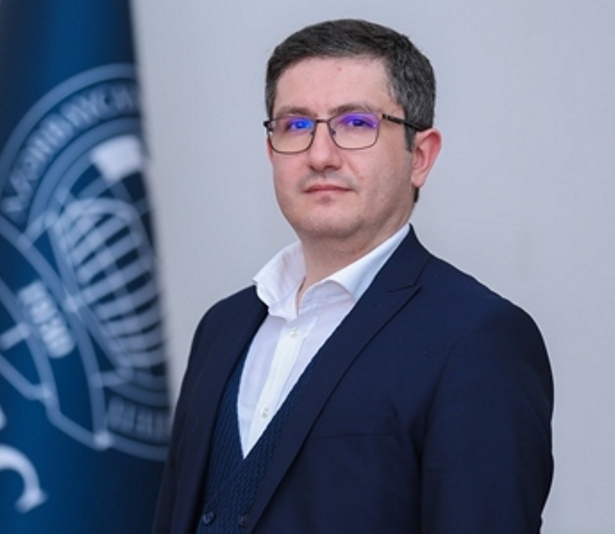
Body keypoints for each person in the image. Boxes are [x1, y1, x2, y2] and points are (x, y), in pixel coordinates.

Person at [153, 18, 553, 533]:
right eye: (296, 126)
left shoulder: (478, 339)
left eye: (356, 123)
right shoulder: (221, 327)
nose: (320, 155)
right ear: (271, 151)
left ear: (420, 156)